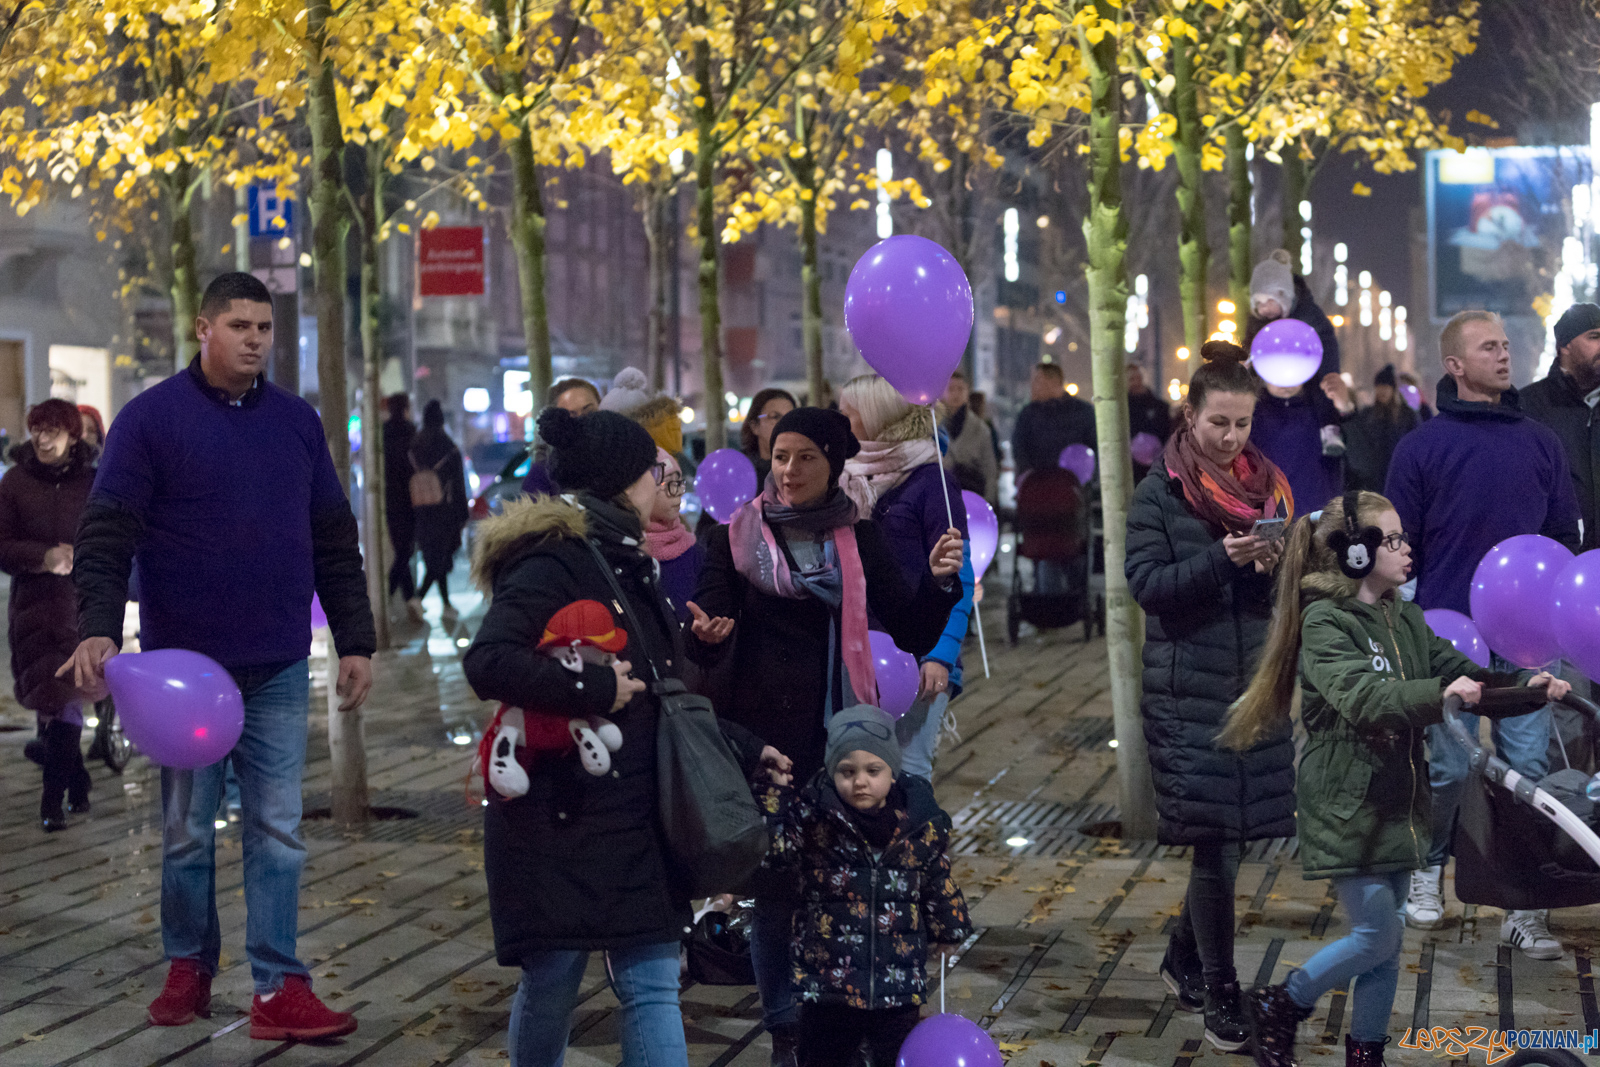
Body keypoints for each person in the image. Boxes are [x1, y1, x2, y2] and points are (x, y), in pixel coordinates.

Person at [59, 271, 375, 1039]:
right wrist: (97, 625)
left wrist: (355, 639)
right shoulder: (150, 420)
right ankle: (188, 963)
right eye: (239, 325)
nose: (255, 340)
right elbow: (106, 533)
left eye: (264, 327)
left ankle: (278, 985)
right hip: (184, 677)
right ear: (202, 328)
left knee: (278, 829)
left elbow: (334, 537)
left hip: (278, 664)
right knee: (188, 829)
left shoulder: (298, 423)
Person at [463, 406, 785, 1067]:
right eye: (653, 471)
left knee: (652, 981)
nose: (665, 482)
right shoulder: (553, 561)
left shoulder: (624, 559)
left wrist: (747, 749)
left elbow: (660, 697)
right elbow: (489, 659)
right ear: (620, 480)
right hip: (558, 820)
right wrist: (595, 690)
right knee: (554, 979)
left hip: (634, 817)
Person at [1220, 493, 1567, 1067]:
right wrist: (1440, 695)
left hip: (1399, 803)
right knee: (1376, 936)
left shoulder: (1401, 615)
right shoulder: (1326, 622)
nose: (1408, 548)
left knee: (1386, 945)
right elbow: (1365, 697)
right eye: (1394, 539)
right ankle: (1281, 1002)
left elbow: (1462, 675)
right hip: (1348, 805)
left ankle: (1366, 1054)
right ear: (1355, 554)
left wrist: (1522, 689)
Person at [686, 406, 963, 1065]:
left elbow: (911, 626)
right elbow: (709, 620)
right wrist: (705, 635)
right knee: (776, 889)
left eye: (805, 457)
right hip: (765, 741)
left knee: (834, 888)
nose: (789, 470)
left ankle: (833, 1018)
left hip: (839, 741)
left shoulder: (857, 538)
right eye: (781, 456)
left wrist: (940, 580)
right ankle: (785, 1023)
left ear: (833, 462)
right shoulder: (734, 535)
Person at [1384, 309, 1581, 957]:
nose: (1503, 355)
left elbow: (1561, 535)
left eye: (1505, 344)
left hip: (1527, 635)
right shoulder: (1420, 447)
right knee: (1444, 767)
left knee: (1528, 765)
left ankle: (1524, 902)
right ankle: (1426, 869)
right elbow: (1396, 545)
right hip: (1449, 634)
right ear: (1455, 365)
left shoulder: (1540, 441)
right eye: (1487, 346)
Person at [1123, 341, 1296, 1052]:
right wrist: (1221, 559)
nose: (1231, 438)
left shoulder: (1271, 491)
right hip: (1184, 690)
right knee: (1215, 846)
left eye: (1243, 424)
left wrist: (1276, 564)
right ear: (1189, 415)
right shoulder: (1159, 491)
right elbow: (1149, 586)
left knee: (1234, 839)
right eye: (1219, 423)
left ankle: (1184, 956)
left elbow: (1287, 594)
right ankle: (1221, 988)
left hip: (1253, 684)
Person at [758, 705, 972, 1067]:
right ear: (831, 772)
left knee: (894, 1056)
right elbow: (776, 856)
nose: (860, 781)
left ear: (892, 772)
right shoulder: (812, 816)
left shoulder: (918, 825)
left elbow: (937, 877)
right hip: (828, 984)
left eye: (873, 771)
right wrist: (776, 803)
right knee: (824, 1057)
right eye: (847, 771)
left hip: (897, 984)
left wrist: (950, 926)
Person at [841, 375, 975, 778]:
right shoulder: (850, 479)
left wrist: (940, 655)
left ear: (878, 417)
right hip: (860, 652)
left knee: (910, 768)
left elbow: (958, 579)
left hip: (920, 656)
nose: (841, 421)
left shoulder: (932, 483)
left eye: (850, 414)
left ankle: (919, 841)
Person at [0, 399, 97, 831]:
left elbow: (109, 534)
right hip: (34, 607)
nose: (42, 438)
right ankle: (76, 779)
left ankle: (51, 800)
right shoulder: (14, 483)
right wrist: (42, 556)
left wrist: (85, 557)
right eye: (37, 429)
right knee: (51, 702)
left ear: (72, 435)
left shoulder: (93, 483)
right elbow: (2, 546)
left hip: (79, 606)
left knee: (66, 698)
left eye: (52, 431)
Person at [1521, 303, 1600, 773]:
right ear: (1565, 345)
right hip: (1560, 590)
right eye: (1593, 337)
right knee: (1567, 723)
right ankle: (1566, 836)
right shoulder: (1531, 407)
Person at [1246, 249, 1344, 456]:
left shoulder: (1307, 312)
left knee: (1322, 391)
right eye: (1259, 303)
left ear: (1284, 296)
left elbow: (1325, 336)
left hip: (1312, 359)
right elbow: (1250, 342)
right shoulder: (1260, 322)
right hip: (1274, 365)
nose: (1265, 309)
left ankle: (1329, 429)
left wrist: (1330, 371)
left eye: (1269, 301)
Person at [410, 399, 470, 617]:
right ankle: (419, 597)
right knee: (441, 557)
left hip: (420, 510)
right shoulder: (448, 446)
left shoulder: (415, 446)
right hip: (444, 510)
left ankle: (445, 604)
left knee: (434, 557)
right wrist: (462, 514)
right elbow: (458, 483)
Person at [1252, 377, 1343, 515]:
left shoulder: (1322, 410)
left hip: (1315, 514)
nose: (1285, 381)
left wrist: (1346, 408)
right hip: (1270, 514)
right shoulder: (1251, 414)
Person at [644, 447, 703, 623]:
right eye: (669, 484)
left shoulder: (695, 552)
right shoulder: (632, 553)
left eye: (679, 483)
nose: (678, 492)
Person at [1011, 362, 1096, 480]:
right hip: (1037, 485)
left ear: (1053, 381)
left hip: (1072, 485)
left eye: (1038, 380)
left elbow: (1092, 446)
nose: (1033, 385)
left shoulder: (1082, 412)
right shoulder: (1028, 413)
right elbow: (1019, 448)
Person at [1342, 366, 1418, 494]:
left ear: (1393, 389)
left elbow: (1415, 445)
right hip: (1372, 482)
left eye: (1386, 386)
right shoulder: (1367, 415)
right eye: (1379, 386)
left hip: (1399, 478)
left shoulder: (1407, 416)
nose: (1382, 390)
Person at [522, 377, 600, 497]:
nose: (582, 421)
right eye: (571, 417)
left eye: (589, 412)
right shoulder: (542, 474)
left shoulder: (622, 456)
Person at [382, 393, 421, 619]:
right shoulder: (410, 431)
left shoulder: (384, 433)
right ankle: (389, 592)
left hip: (390, 499)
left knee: (402, 550)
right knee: (405, 551)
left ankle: (409, 598)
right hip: (410, 498)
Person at [941, 369, 998, 503]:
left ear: (967, 392)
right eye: (950, 389)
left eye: (960, 389)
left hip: (973, 496)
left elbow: (989, 468)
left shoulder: (980, 428)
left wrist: (988, 501)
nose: (956, 394)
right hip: (943, 498)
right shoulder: (934, 427)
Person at [741, 387, 798, 488]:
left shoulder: (804, 471)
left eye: (790, 417)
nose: (784, 424)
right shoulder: (741, 472)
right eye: (775, 417)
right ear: (755, 426)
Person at [1127, 364, 1173, 482]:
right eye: (1131, 379)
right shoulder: (1121, 410)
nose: (1135, 382)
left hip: (1157, 464)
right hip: (1130, 467)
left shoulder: (1160, 407)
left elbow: (1167, 432)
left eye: (1138, 378)